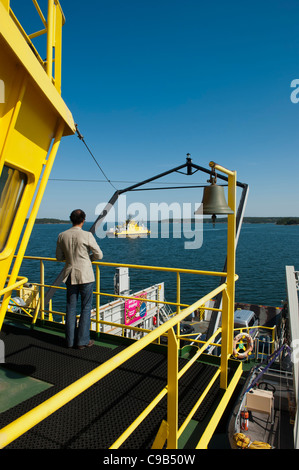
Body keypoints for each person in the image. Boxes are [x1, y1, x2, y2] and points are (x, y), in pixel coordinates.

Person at [56, 209, 103, 349]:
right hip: (85, 275)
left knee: (70, 307)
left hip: (70, 274)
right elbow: (99, 255)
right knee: (86, 307)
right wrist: (88, 259)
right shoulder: (87, 235)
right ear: (83, 220)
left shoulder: (62, 235)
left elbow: (59, 257)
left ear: (71, 220)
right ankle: (82, 341)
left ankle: (69, 341)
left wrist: (70, 259)